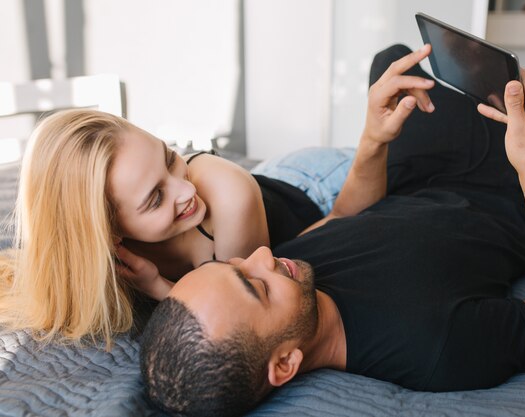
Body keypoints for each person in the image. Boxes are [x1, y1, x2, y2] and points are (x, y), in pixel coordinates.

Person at [139, 40, 525, 417]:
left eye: (235, 264)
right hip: (507, 189)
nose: (261, 256)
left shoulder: (291, 275)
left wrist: (373, 139)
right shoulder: (436, 346)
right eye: (256, 285)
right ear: (285, 364)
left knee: (394, 59)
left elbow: (342, 216)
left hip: (415, 173)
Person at [0, 46, 437, 348]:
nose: (187, 189)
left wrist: (158, 286)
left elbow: (246, 318)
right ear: (107, 231)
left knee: (417, 163)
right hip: (262, 180)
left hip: (312, 182)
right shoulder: (87, 253)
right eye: (155, 198)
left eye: (171, 158)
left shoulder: (228, 197)